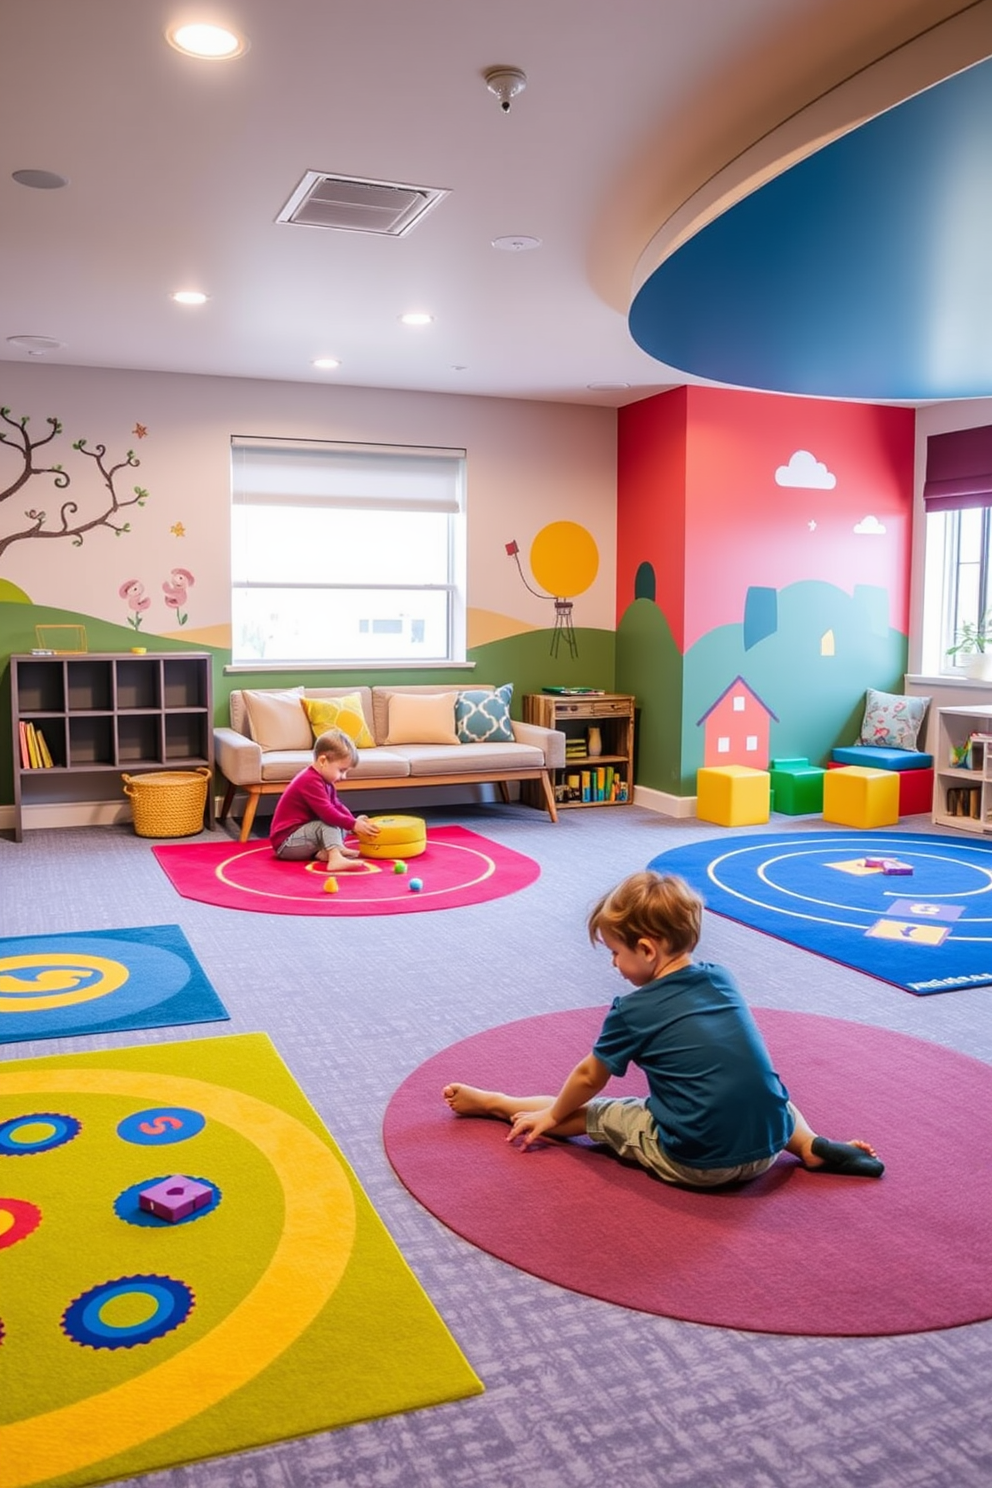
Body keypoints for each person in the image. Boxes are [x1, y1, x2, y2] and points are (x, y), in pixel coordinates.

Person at [444, 869, 883, 1186]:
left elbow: (587, 1077)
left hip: (701, 1164)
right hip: (769, 1145)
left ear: (647, 949)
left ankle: (499, 1104)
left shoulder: (632, 1010)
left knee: (600, 1113)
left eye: (615, 952)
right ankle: (809, 1146)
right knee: (769, 1095)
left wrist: (554, 1114)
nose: (614, 963)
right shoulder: (721, 977)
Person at [270, 728, 380, 872]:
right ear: (323, 761)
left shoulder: (326, 782)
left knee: (340, 823)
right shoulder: (309, 780)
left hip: (302, 839)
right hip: (286, 843)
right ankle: (335, 857)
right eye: (341, 770)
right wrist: (353, 824)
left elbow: (336, 806)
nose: (344, 777)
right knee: (329, 821)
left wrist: (353, 822)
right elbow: (327, 813)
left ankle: (329, 851)